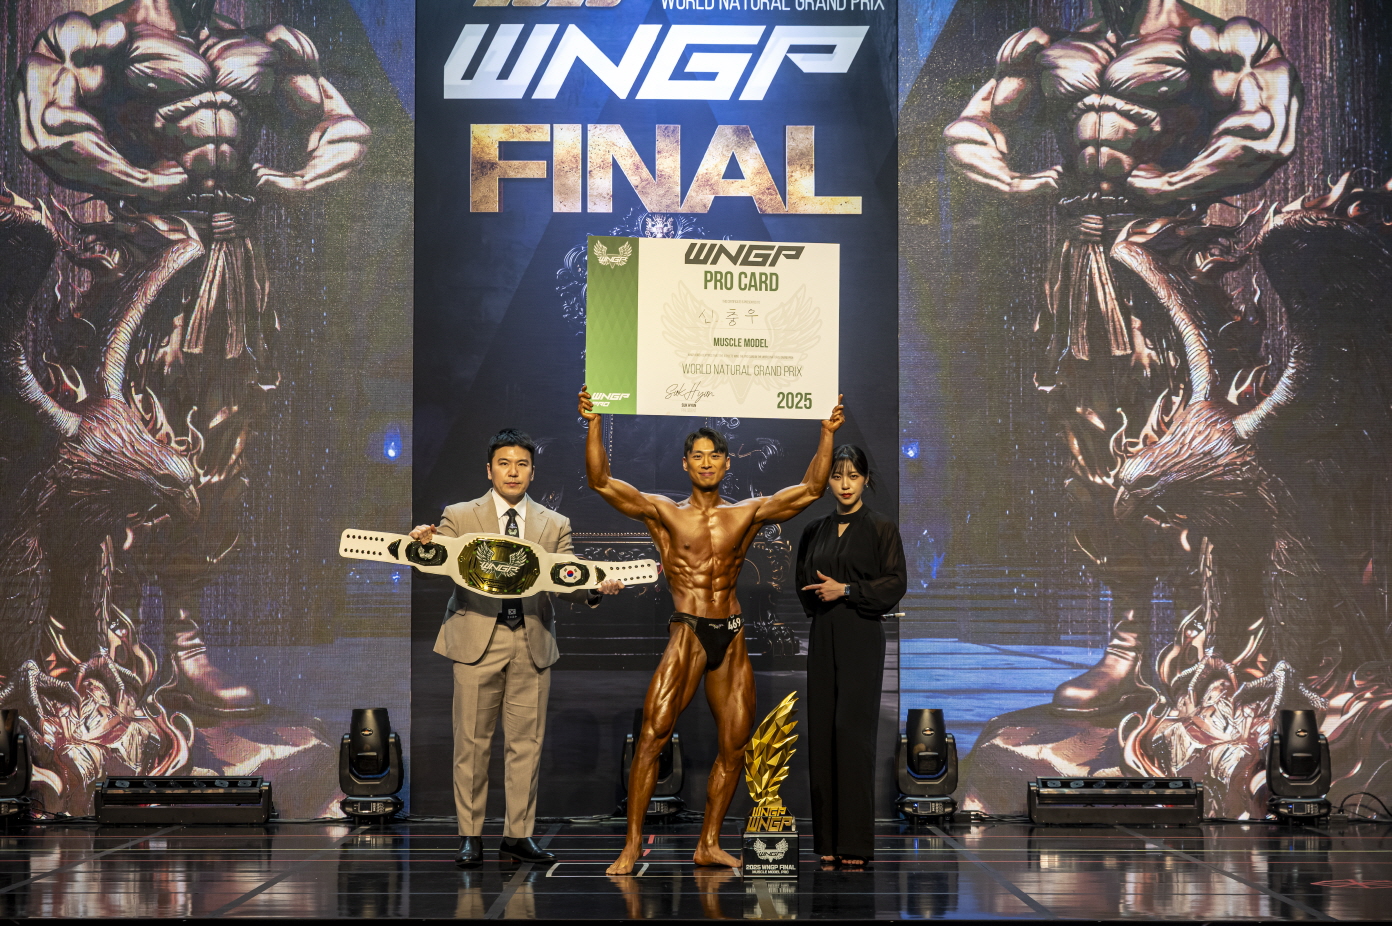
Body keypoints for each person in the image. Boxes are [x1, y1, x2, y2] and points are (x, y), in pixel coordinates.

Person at [943, 0, 1299, 711]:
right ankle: (1129, 647)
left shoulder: (1214, 39)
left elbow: (1268, 127)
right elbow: (968, 128)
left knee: (1189, 449)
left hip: (1166, 261)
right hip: (1081, 263)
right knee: (1091, 458)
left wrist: (1174, 185)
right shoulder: (1049, 46)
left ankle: (1218, 643)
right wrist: (1015, 183)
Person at [19, 0, 371, 715]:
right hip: (149, 254)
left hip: (234, 257)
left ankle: (184, 647)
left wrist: (299, 181)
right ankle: (102, 643)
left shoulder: (264, 43)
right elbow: (45, 122)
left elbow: (346, 126)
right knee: (126, 445)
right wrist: (136, 180)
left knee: (222, 455)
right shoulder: (102, 35)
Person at [579, 387, 845, 875]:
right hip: (689, 629)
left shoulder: (746, 513)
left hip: (732, 633)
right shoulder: (664, 511)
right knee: (653, 736)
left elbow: (810, 490)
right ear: (686, 464)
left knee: (735, 744)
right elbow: (601, 481)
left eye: (714, 456)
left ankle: (708, 843)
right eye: (697, 456)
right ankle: (632, 846)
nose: (706, 463)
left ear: (726, 463)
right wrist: (594, 422)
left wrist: (826, 433)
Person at [411, 429, 623, 868]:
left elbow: (565, 580)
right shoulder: (459, 515)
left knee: (526, 744)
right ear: (489, 470)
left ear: (532, 472)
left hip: (531, 640)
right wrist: (422, 544)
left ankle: (518, 836)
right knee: (471, 744)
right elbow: (433, 563)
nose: (513, 471)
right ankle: (470, 836)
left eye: (522, 464)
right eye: (504, 464)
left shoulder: (554, 523)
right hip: (476, 639)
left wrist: (594, 588)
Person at [797, 445, 906, 869]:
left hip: (862, 633)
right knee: (822, 732)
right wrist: (823, 597)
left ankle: (855, 843)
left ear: (865, 480)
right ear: (828, 481)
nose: (845, 484)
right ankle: (826, 840)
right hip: (823, 632)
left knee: (852, 733)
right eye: (837, 476)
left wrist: (847, 590)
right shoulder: (815, 530)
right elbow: (803, 582)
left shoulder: (881, 527)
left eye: (853, 476)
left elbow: (895, 582)